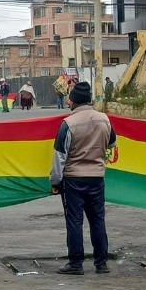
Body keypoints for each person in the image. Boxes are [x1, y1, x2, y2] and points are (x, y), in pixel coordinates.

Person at [49, 81, 116, 275]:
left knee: (74, 221)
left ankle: (76, 263)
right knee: (97, 220)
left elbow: (59, 156)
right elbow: (112, 144)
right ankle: (101, 263)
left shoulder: (68, 124)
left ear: (74, 102)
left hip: (74, 180)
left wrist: (55, 182)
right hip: (97, 178)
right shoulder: (105, 120)